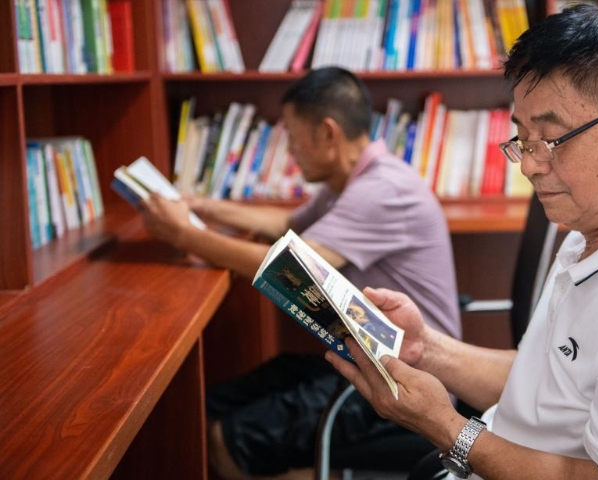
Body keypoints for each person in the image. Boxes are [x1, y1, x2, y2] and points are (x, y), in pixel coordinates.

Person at [327, 5, 598, 480]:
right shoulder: (593, 234)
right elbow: (546, 384)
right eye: (522, 137)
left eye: (551, 139)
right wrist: (425, 349)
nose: (529, 164)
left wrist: (447, 428)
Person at [139, 67, 461, 478]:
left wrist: (182, 233)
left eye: (291, 136)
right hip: (365, 362)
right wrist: (198, 206)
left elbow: (289, 267)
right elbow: (283, 228)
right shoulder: (349, 181)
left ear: (328, 133)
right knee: (208, 406)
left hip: (406, 383)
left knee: (226, 439)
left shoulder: (381, 191)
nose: (290, 151)